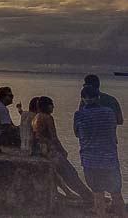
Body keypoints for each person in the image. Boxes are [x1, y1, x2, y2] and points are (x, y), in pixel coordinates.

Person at [74, 86, 125, 217]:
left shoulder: (80, 115)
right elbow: (113, 128)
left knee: (98, 194)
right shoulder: (109, 112)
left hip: (91, 160)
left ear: (83, 99)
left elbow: (77, 133)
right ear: (98, 98)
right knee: (116, 194)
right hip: (110, 160)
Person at [32, 96, 93, 203]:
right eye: (52, 105)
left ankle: (88, 196)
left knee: (66, 175)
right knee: (70, 174)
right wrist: (62, 150)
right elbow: (54, 138)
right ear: (47, 106)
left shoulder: (35, 118)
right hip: (51, 150)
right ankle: (89, 197)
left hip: (41, 150)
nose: (53, 107)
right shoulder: (47, 118)